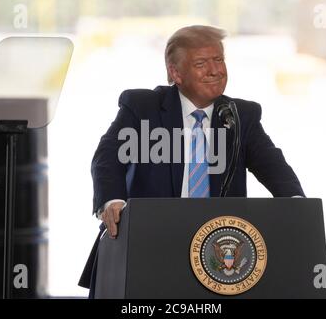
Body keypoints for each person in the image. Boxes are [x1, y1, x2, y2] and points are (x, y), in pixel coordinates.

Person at [79, 25, 305, 294]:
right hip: (149, 242)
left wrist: (297, 207)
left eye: (219, 60)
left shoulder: (240, 115)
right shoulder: (142, 107)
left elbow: (274, 167)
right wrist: (112, 200)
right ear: (176, 73)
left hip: (216, 249)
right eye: (201, 63)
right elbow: (107, 158)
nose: (215, 70)